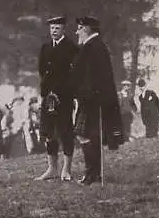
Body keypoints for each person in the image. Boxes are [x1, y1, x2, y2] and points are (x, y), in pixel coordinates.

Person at [71, 16, 124, 185]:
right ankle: (95, 174)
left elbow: (95, 78)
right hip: (92, 99)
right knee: (90, 136)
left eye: (78, 29)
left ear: (86, 29)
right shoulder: (94, 46)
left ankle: (91, 174)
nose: (76, 32)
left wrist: (84, 95)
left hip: (92, 100)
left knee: (84, 135)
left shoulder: (93, 47)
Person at [35, 16, 79, 181]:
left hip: (64, 98)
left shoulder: (71, 48)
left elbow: (74, 74)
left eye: (57, 28)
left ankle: (66, 170)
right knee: (48, 132)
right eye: (52, 28)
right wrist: (47, 91)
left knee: (65, 132)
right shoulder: (45, 48)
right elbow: (41, 71)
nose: (54, 31)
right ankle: (52, 168)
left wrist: (63, 91)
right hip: (48, 97)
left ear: (63, 30)